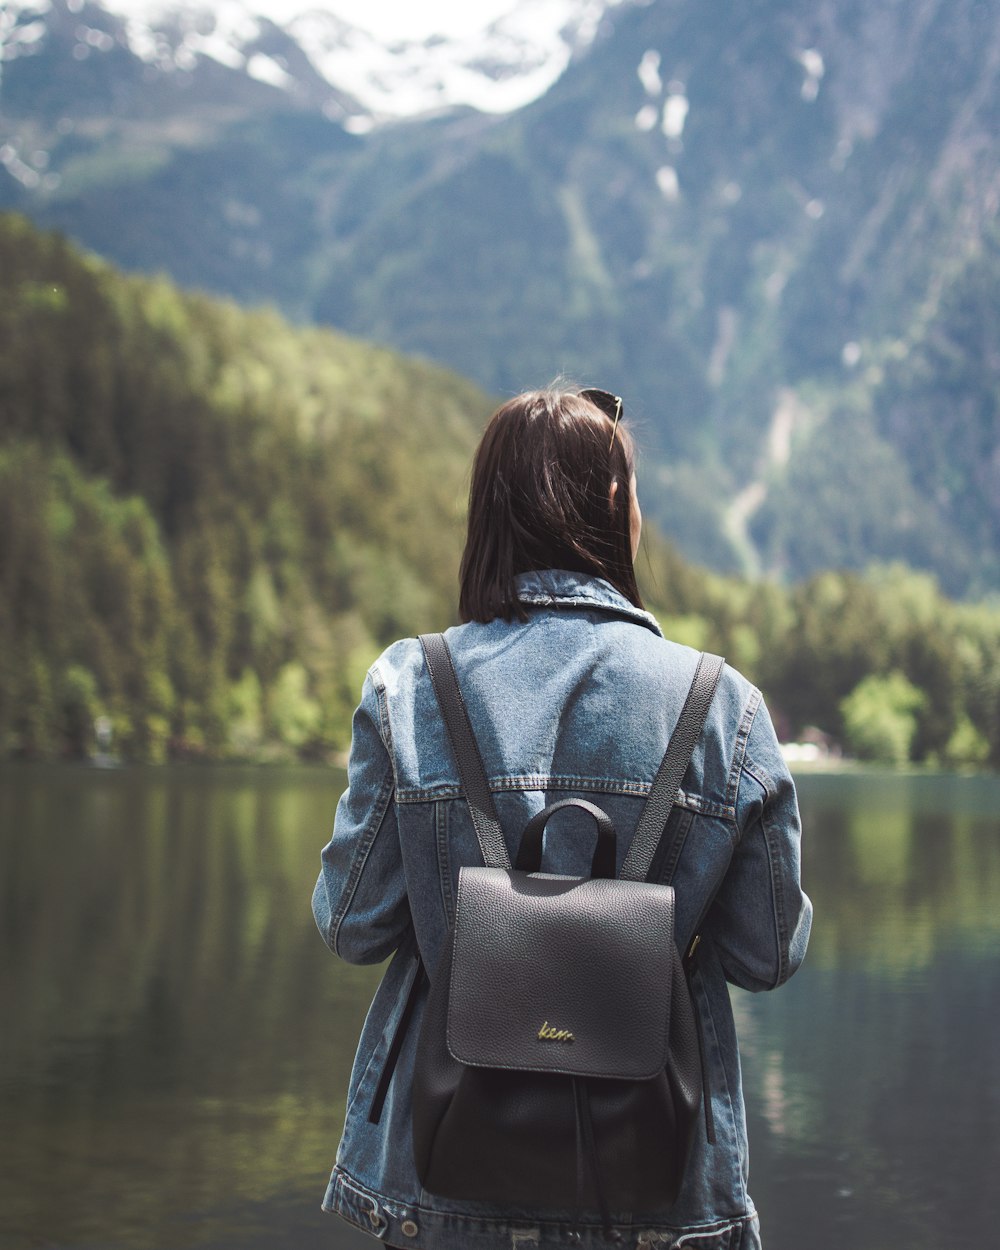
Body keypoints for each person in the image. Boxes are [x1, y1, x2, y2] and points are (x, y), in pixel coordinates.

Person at [312, 386, 812, 1250]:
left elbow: (355, 925)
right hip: (655, 1196)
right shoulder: (720, 706)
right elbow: (765, 954)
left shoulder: (412, 685)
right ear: (616, 507)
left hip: (438, 1183)